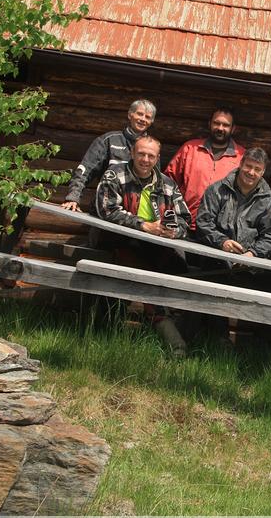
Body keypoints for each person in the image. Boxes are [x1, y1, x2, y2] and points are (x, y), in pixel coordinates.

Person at [94, 135, 191, 356]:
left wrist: (172, 230)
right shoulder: (115, 174)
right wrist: (143, 225)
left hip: (157, 247)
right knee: (141, 276)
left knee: (183, 274)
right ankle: (175, 343)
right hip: (120, 243)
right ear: (132, 153)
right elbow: (106, 210)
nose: (145, 159)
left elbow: (184, 218)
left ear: (157, 158)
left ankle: (185, 336)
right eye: (141, 154)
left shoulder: (167, 184)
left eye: (151, 155)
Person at [195, 147, 271, 294]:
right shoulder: (216, 190)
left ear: (263, 172)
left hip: (250, 266)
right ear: (241, 164)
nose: (251, 172)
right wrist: (222, 242)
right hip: (215, 259)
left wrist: (252, 254)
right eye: (248, 166)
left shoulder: (268, 201)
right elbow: (203, 222)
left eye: (257, 169)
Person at [62, 99, 156, 211]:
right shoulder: (109, 140)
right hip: (106, 209)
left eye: (147, 117)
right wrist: (73, 197)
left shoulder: (153, 149)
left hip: (137, 216)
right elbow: (85, 171)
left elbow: (157, 185)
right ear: (130, 114)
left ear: (151, 121)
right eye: (139, 114)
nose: (143, 119)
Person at [164, 106, 245, 232]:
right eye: (216, 123)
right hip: (184, 223)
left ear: (233, 128)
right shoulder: (190, 148)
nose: (220, 128)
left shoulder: (241, 157)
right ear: (209, 124)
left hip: (218, 231)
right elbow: (168, 182)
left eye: (225, 125)